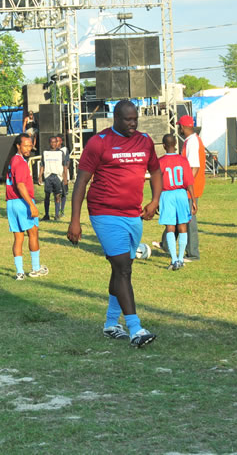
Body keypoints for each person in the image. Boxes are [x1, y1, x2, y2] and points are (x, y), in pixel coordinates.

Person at [67, 100, 162, 348]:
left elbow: (156, 170)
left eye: (135, 119)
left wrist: (154, 200)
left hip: (133, 215)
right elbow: (81, 182)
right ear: (115, 118)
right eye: (128, 119)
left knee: (122, 268)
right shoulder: (99, 142)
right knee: (123, 268)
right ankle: (135, 328)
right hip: (104, 212)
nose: (133, 123)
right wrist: (75, 220)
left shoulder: (145, 141)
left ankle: (111, 324)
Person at [3, 134, 47, 280]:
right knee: (33, 233)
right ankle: (35, 268)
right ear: (18, 146)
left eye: (30, 146)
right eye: (26, 145)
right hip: (22, 202)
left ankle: (20, 272)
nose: (29, 149)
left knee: (18, 237)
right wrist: (31, 205)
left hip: (11, 203)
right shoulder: (20, 162)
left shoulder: (12, 160)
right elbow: (20, 185)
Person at [158, 134, 197, 271]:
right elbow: (189, 181)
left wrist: (155, 200)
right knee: (182, 226)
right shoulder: (183, 160)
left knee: (170, 227)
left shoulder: (160, 161)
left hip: (167, 194)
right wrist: (192, 199)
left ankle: (174, 260)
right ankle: (180, 259)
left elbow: (157, 183)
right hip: (181, 194)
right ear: (175, 144)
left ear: (163, 145)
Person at [39, 136, 69, 220]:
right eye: (51, 142)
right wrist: (40, 176)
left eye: (55, 142)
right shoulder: (45, 152)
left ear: (57, 143)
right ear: (49, 143)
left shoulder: (60, 153)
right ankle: (46, 215)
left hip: (58, 177)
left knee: (57, 196)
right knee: (47, 196)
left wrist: (65, 178)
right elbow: (42, 165)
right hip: (48, 176)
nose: (53, 144)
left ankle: (56, 214)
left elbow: (64, 166)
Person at [56, 134, 70, 217]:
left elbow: (68, 161)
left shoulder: (64, 150)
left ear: (61, 141)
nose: (56, 142)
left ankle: (62, 211)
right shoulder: (52, 151)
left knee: (64, 194)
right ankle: (57, 212)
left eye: (58, 141)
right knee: (57, 194)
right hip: (56, 175)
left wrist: (64, 171)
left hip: (64, 174)